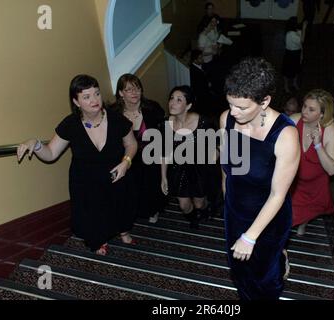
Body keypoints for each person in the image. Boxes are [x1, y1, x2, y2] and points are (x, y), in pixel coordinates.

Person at [17, 75, 137, 255]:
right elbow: (51, 154)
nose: (95, 100)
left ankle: (124, 232)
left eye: (96, 94)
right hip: (85, 181)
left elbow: (132, 144)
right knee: (92, 213)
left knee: (120, 206)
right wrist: (35, 144)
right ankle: (99, 239)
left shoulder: (116, 119)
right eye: (86, 96)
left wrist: (125, 163)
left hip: (115, 174)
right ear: (76, 101)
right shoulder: (71, 124)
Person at [220, 57, 300, 299]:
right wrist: (228, 201)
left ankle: (279, 258)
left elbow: (278, 194)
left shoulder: (285, 135)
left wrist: (250, 236)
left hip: (269, 218)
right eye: (230, 104)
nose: (233, 112)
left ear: (265, 101)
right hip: (235, 211)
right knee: (239, 272)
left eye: (242, 107)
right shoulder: (228, 119)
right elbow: (227, 169)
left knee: (264, 280)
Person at [112, 74, 166, 228]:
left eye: (137, 88)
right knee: (130, 189)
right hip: (126, 158)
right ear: (121, 93)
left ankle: (152, 210)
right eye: (129, 89)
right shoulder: (113, 113)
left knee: (151, 186)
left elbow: (163, 136)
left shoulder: (153, 108)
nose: (135, 92)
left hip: (151, 157)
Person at [290, 89, 334, 235]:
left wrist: (318, 145)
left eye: (311, 109)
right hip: (292, 181)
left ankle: (303, 223)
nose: (305, 111)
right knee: (284, 219)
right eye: (304, 106)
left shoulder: (331, 130)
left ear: (322, 114)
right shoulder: (294, 120)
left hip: (314, 187)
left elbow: (332, 170)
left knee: (303, 214)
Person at [161, 85, 211, 229]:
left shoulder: (202, 122)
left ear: (188, 105)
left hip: (198, 170)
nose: (172, 103)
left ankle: (204, 209)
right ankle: (193, 217)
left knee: (199, 203)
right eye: (171, 98)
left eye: (178, 100)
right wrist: (163, 177)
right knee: (184, 206)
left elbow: (214, 147)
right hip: (178, 170)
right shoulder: (166, 124)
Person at [282, 17, 303, 93]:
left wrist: (301, 55)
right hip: (291, 54)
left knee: (296, 70)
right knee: (287, 71)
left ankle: (294, 83)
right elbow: (301, 41)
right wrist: (304, 28)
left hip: (296, 53)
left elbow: (301, 45)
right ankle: (286, 86)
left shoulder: (297, 32)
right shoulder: (290, 34)